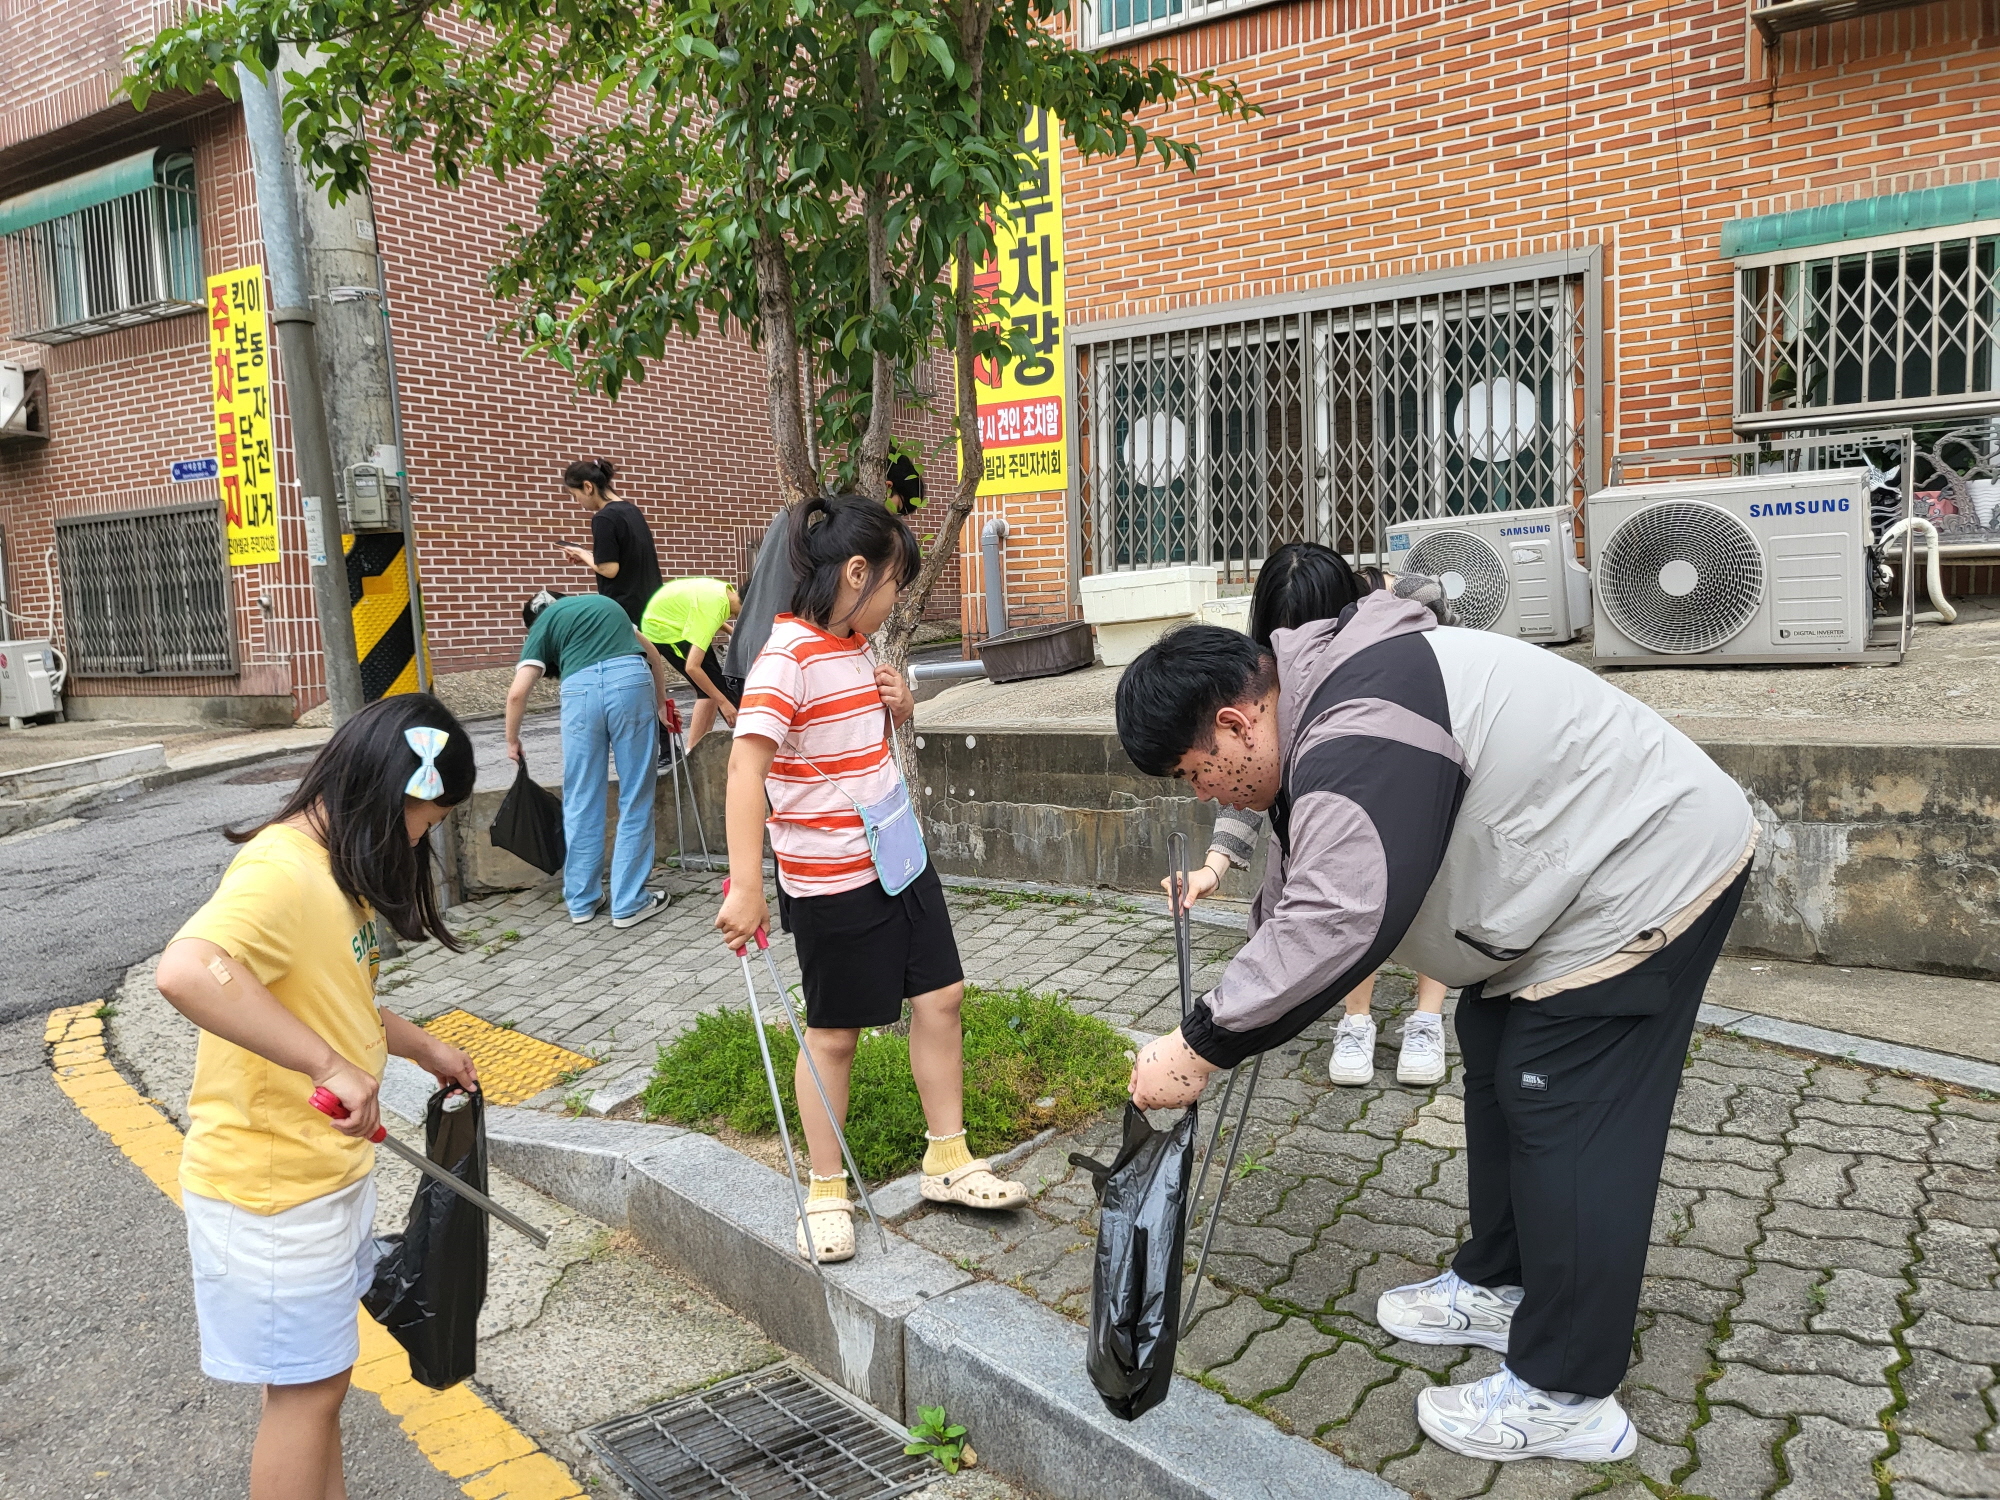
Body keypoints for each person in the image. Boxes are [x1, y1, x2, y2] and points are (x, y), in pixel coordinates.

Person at [1117, 598, 1756, 1464]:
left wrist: (1200, 1044)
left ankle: (1568, 1392)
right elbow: (1301, 884)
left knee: (1564, 1109)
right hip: (1559, 892)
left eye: (1197, 774)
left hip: (1642, 873)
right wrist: (1230, 1007)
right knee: (1498, 1063)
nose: (1203, 794)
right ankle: (1504, 1281)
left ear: (1235, 723)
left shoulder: (1360, 725)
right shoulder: (1319, 707)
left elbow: (1342, 914)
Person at [153, 695, 482, 1500]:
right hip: (270, 1197)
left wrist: (423, 1047)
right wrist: (327, 1065)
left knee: (313, 1386)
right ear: (391, 791)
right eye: (428, 818)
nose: (424, 836)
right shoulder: (279, 870)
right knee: (306, 1396)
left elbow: (334, 996)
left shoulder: (334, 872)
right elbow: (188, 971)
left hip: (319, 1181)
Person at [715, 495, 1027, 1264]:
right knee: (834, 1036)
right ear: (856, 573)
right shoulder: (785, 658)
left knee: (942, 997)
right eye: (892, 583)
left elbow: (854, 744)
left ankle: (947, 1159)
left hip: (898, 858)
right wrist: (745, 883)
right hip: (831, 881)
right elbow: (745, 767)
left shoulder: (854, 645)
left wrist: (902, 707)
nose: (895, 601)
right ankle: (826, 1188)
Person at [1164, 542, 1452, 1088]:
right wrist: (1215, 865)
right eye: (1284, 638)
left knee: (1420, 885)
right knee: (1331, 884)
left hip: (1408, 774)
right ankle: (1356, 1017)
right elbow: (1256, 781)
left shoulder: (1390, 636)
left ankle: (1427, 1016)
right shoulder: (1264, 687)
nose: (1301, 653)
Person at [505, 587, 676, 928]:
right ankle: (629, 902)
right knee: (636, 794)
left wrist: (512, 739)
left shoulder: (544, 623)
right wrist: (659, 705)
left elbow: (517, 693)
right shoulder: (606, 603)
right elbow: (653, 655)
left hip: (578, 691)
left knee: (581, 797)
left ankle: (582, 901)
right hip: (631, 681)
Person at [641, 575, 744, 758]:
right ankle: (693, 754)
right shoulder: (712, 610)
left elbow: (702, 611)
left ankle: (702, 748)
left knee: (713, 685)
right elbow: (692, 667)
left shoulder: (725, 593)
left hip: (676, 615)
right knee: (709, 688)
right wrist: (724, 704)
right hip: (665, 629)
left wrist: (730, 631)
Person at [558, 457, 662, 627]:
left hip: (625, 611)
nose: (578, 502)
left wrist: (582, 553)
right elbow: (625, 557)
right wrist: (590, 556)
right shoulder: (631, 510)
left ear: (588, 487)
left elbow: (609, 569)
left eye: (575, 495)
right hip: (650, 603)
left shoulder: (604, 518)